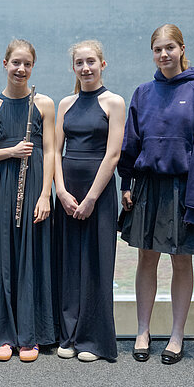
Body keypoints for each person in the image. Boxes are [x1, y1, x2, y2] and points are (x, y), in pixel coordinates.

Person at [118, 24, 194, 365]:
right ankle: (143, 331)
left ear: (181, 49)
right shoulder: (143, 92)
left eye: (170, 48)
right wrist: (126, 183)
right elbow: (130, 143)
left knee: (181, 259)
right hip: (147, 186)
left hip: (183, 188)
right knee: (146, 258)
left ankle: (177, 335)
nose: (164, 54)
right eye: (158, 49)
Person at [0, 39, 56, 362]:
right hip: (2, 187)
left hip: (35, 185)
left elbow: (50, 151)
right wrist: (12, 151)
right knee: (1, 258)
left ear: (33, 67)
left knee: (31, 257)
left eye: (27, 64)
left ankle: (29, 335)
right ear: (4, 64)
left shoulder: (45, 103)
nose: (21, 69)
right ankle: (1, 334)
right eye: (15, 63)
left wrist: (46, 194)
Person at [54, 40, 125, 362]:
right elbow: (54, 151)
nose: (85, 68)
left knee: (97, 264)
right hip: (67, 192)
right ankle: (67, 335)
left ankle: (93, 341)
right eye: (79, 63)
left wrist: (91, 198)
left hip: (99, 194)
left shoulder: (114, 102)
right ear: (73, 68)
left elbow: (112, 155)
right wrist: (61, 191)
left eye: (91, 62)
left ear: (102, 64)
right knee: (68, 265)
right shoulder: (65, 104)